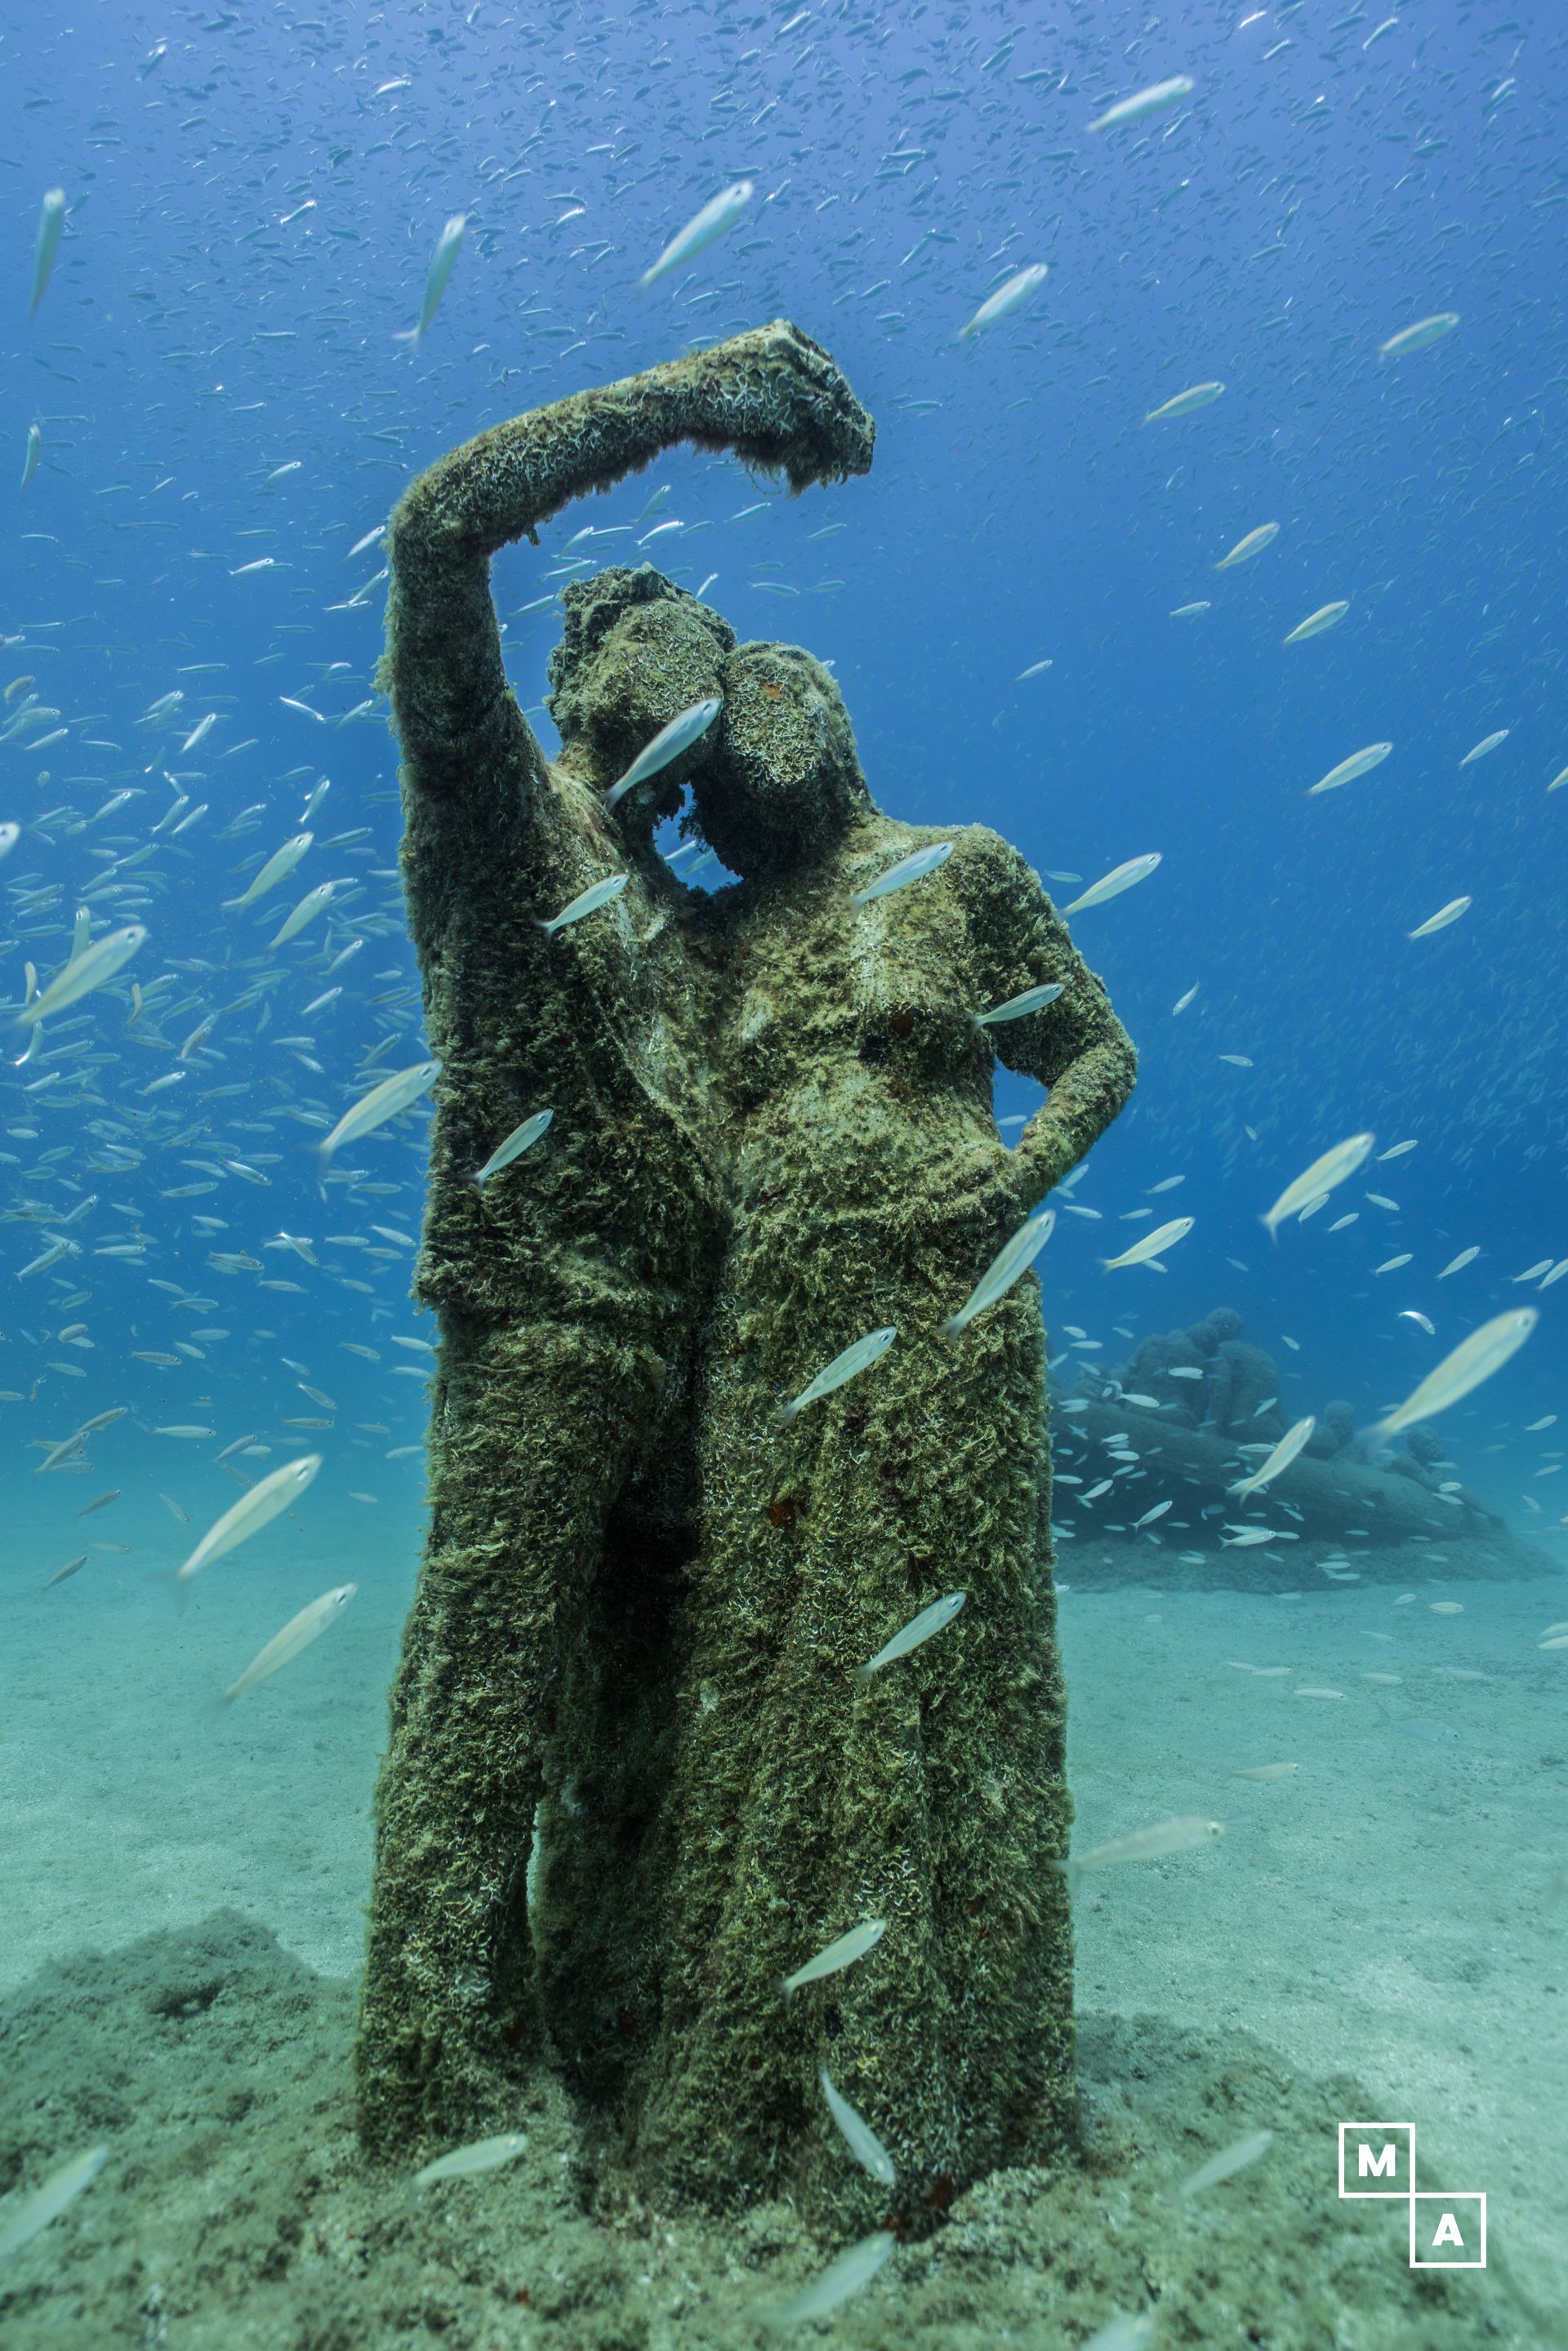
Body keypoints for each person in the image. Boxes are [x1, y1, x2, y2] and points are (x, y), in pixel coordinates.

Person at [355, 323, 874, 2157]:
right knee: (484, 1706)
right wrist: (686, 402)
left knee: (646, 1726)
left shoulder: (689, 909)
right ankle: (433, 2088)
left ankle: (603, 2027)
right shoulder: (503, 805)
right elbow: (434, 534)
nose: (700, 666)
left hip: (689, 1365)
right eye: (665, 629)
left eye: (718, 655)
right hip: (546, 1331)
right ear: (583, 665)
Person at [616, 630, 1137, 2227]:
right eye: (733, 714)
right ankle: (766, 2076)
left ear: (839, 720)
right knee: (760, 1651)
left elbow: (1096, 1051)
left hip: (941, 1308)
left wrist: (1012, 1177)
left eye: (787, 692)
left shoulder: (961, 870)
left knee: (936, 1666)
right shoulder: (726, 930)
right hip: (770, 1334)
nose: (766, 725)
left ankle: (946, 2076)